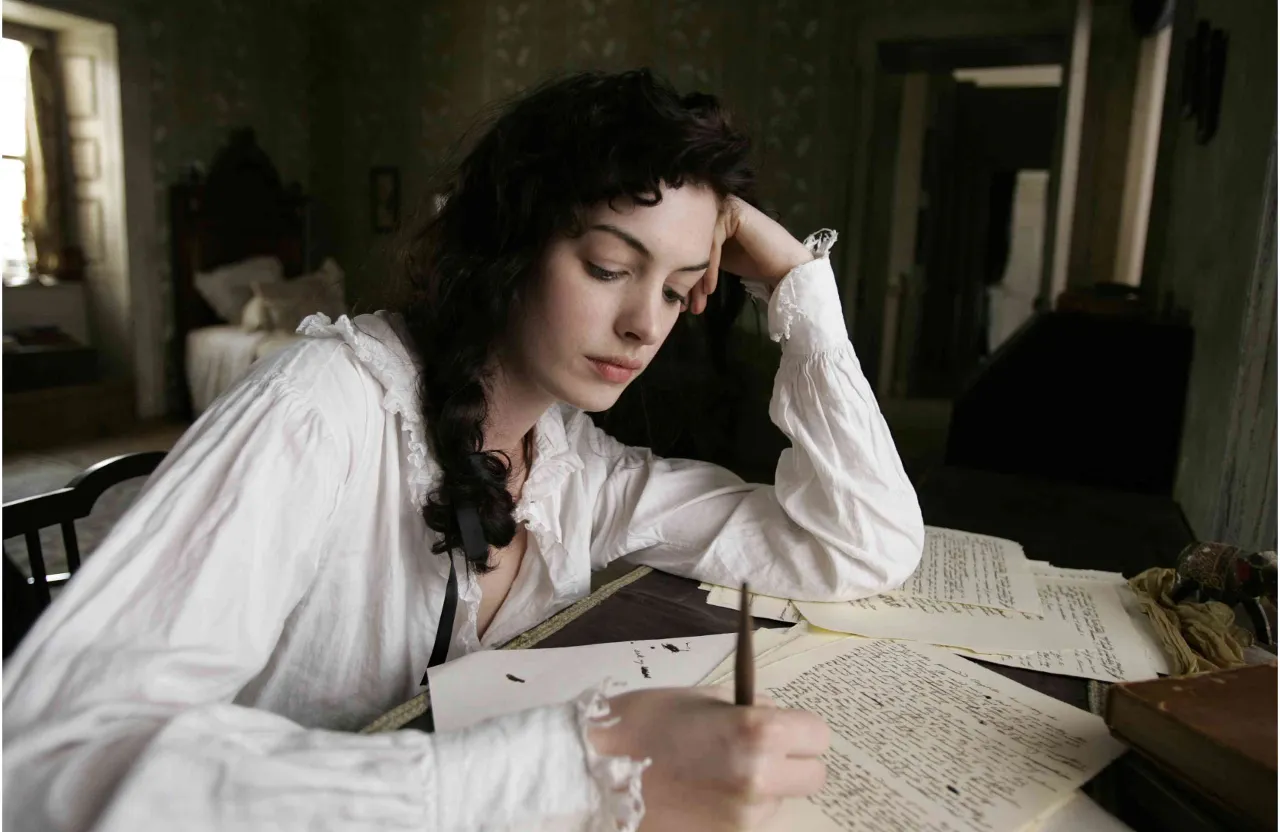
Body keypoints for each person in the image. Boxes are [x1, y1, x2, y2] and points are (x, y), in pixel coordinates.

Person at [3, 69, 924, 832]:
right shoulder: (321, 412)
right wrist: (577, 765)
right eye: (609, 267)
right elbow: (43, 764)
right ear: (510, 242)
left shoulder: (577, 469)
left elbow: (859, 543)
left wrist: (798, 286)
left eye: (683, 287)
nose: (646, 323)